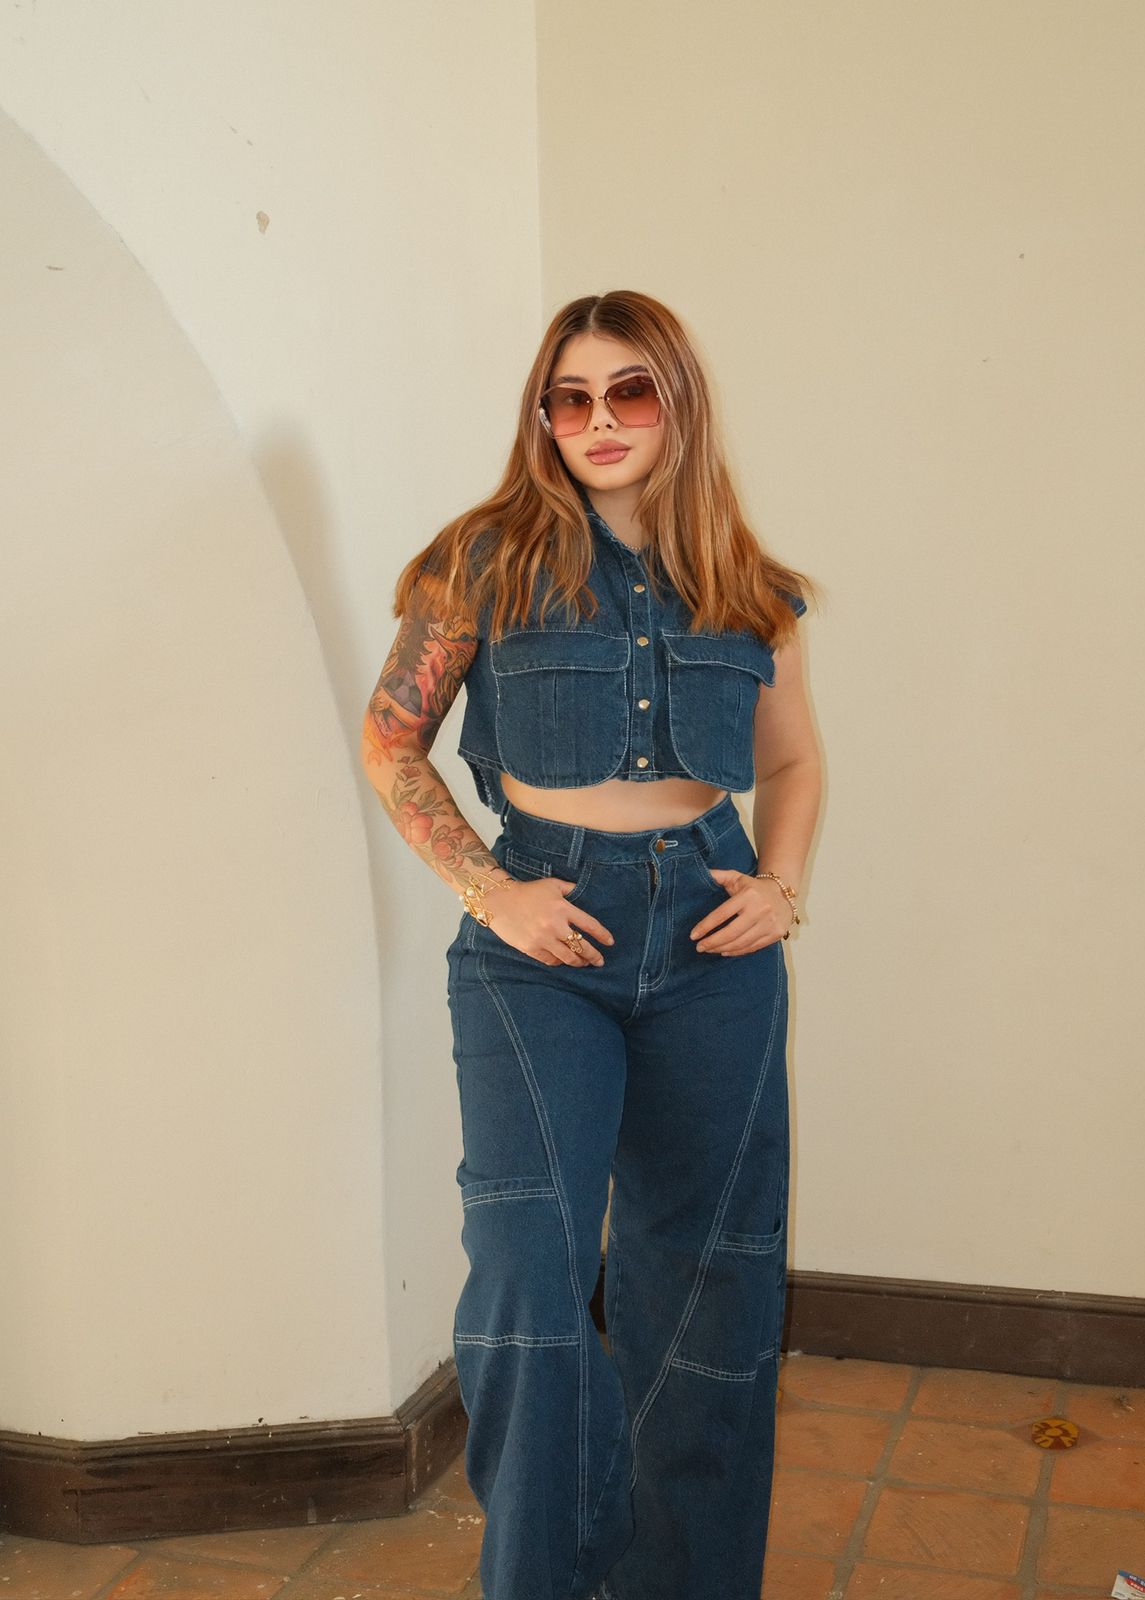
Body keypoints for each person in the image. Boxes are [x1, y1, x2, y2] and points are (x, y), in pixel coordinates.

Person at [361, 289, 822, 1600]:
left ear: (679, 402)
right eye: (570, 398)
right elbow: (390, 740)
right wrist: (488, 888)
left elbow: (794, 763)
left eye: (630, 391)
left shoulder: (747, 585)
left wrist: (782, 885)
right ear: (543, 417)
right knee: (526, 1278)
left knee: (713, 1280)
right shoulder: (483, 560)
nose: (599, 419)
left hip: (714, 941)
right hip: (540, 945)